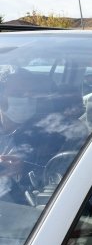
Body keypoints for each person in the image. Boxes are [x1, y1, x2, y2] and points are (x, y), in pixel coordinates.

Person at [0, 69, 67, 204]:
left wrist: (25, 169)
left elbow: (61, 173)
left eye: (31, 95)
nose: (25, 99)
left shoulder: (51, 134)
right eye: (18, 94)